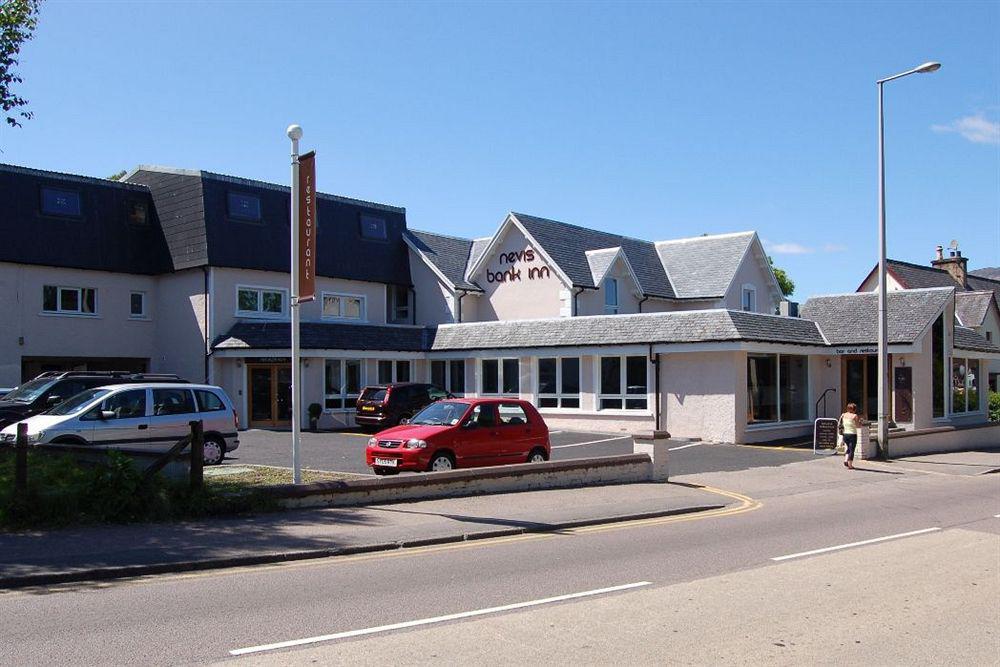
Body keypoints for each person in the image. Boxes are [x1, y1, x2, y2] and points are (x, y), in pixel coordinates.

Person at [838, 403, 864, 469]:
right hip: (852, 434)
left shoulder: (843, 415)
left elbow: (840, 423)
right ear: (854, 409)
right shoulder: (854, 416)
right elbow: (858, 426)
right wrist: (861, 422)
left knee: (848, 448)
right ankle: (850, 465)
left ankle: (846, 460)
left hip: (845, 434)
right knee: (852, 449)